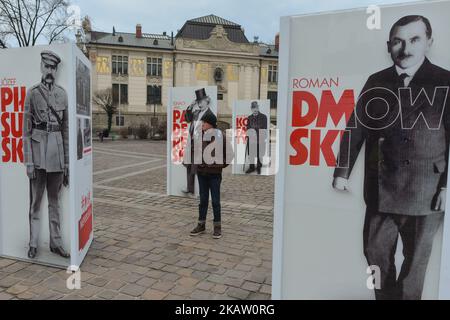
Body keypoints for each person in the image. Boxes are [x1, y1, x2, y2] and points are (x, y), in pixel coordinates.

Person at [333, 15, 450, 300]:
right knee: (374, 254)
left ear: (429, 42)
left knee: (414, 267)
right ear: (389, 46)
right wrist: (342, 171)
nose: (405, 48)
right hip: (381, 188)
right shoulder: (377, 80)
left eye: (414, 39)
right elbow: (356, 126)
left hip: (427, 190)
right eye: (398, 41)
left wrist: (448, 185)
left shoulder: (445, 80)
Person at [22, 50, 70, 259]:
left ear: (56, 70)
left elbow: (66, 131)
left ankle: (55, 243)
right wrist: (29, 162)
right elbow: (25, 131)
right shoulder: (32, 94)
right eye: (47, 66)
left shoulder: (62, 94)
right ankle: (33, 243)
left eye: (53, 67)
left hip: (57, 154)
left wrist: (66, 163)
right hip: (38, 153)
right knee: (35, 202)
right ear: (41, 67)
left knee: (55, 203)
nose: (50, 71)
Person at [190, 112, 233, 239]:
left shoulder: (221, 136)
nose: (202, 124)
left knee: (215, 201)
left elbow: (230, 154)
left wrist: (219, 165)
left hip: (215, 175)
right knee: (203, 200)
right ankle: (201, 225)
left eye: (204, 122)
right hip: (202, 174)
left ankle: (217, 227)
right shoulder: (199, 136)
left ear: (211, 124)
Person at [182, 88, 215, 195]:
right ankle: (190, 189)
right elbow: (187, 119)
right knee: (189, 167)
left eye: (201, 101)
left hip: (201, 146)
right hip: (192, 144)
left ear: (207, 101)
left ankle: (202, 191)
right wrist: (191, 106)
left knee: (199, 169)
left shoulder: (210, 115)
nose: (200, 104)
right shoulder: (195, 112)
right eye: (198, 102)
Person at [245, 101, 268, 175]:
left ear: (258, 108)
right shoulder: (249, 117)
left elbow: (264, 128)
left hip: (260, 139)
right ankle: (251, 167)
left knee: (259, 154)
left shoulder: (263, 117)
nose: (255, 109)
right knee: (251, 154)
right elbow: (248, 128)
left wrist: (255, 132)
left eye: (256, 107)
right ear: (251, 109)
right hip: (251, 139)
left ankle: (259, 167)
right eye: (253, 108)